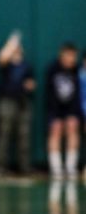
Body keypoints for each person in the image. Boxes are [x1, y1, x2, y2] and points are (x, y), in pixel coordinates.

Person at [0, 32, 36, 176]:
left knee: (24, 135)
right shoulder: (6, 65)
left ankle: (24, 167)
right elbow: (2, 58)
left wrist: (29, 86)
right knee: (4, 133)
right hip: (7, 101)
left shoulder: (27, 66)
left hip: (23, 102)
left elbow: (31, 83)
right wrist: (12, 42)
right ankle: (0, 166)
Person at [45, 42, 81, 178]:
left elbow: (78, 93)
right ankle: (56, 168)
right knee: (55, 129)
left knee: (72, 126)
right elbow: (50, 94)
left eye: (74, 56)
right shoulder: (52, 69)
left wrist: (74, 114)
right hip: (55, 108)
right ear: (62, 55)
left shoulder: (77, 71)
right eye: (69, 55)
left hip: (72, 108)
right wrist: (55, 116)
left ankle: (70, 167)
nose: (72, 58)